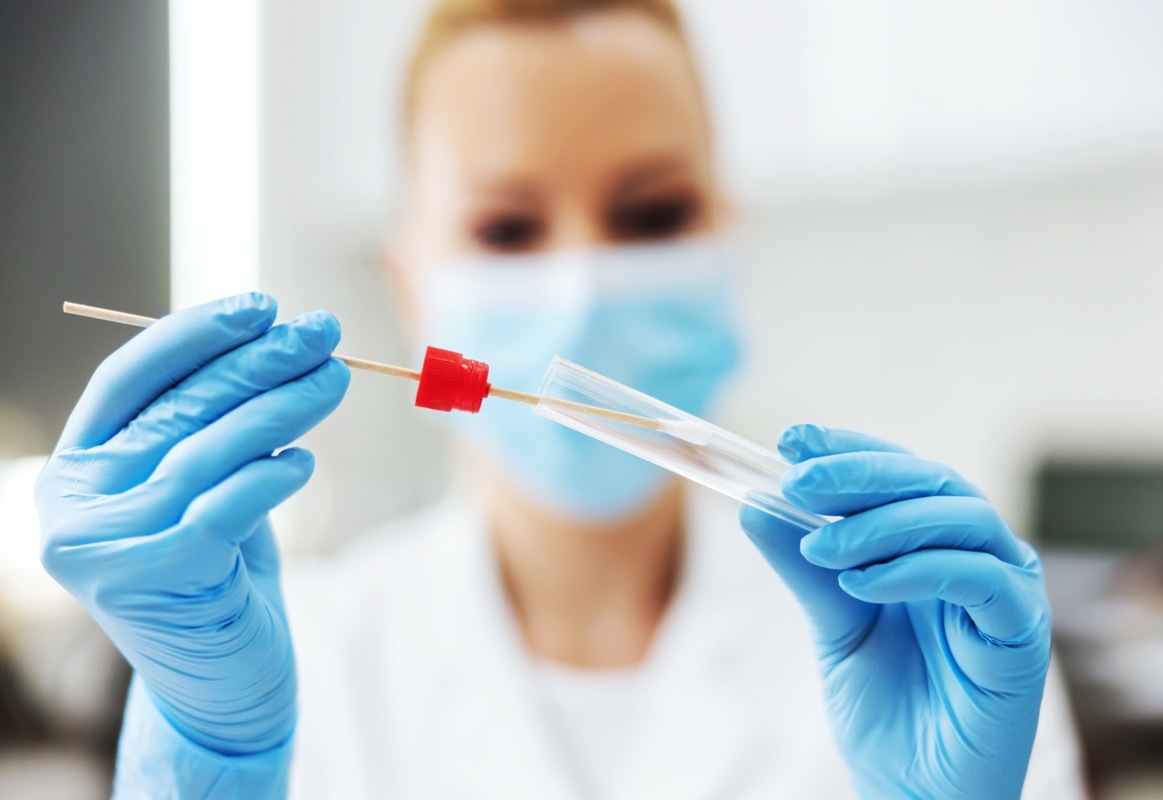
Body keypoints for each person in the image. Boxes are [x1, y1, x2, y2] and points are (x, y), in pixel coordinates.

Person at [36, 1, 1086, 797]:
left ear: (729, 235)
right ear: (411, 283)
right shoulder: (301, 659)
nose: (582, 283)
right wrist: (209, 762)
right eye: (507, 228)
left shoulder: (937, 649)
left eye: (651, 211)